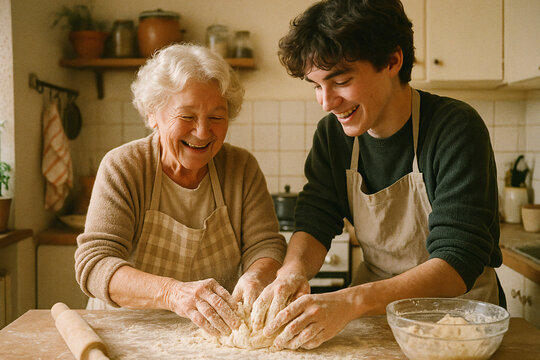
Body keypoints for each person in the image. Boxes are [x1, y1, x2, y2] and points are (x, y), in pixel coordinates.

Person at [250, 0, 505, 350]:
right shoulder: (333, 136)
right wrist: (293, 269)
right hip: (377, 321)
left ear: (392, 60)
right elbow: (316, 219)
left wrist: (350, 302)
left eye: (340, 81)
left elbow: (456, 263)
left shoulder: (454, 128)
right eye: (316, 85)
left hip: (459, 323)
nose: (327, 102)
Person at [74, 43, 287, 337]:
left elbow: (265, 245)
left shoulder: (241, 167)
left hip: (212, 335)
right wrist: (172, 293)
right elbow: (96, 264)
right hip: (124, 333)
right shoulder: (124, 166)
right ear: (152, 115)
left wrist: (255, 277)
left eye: (216, 117)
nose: (202, 132)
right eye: (187, 116)